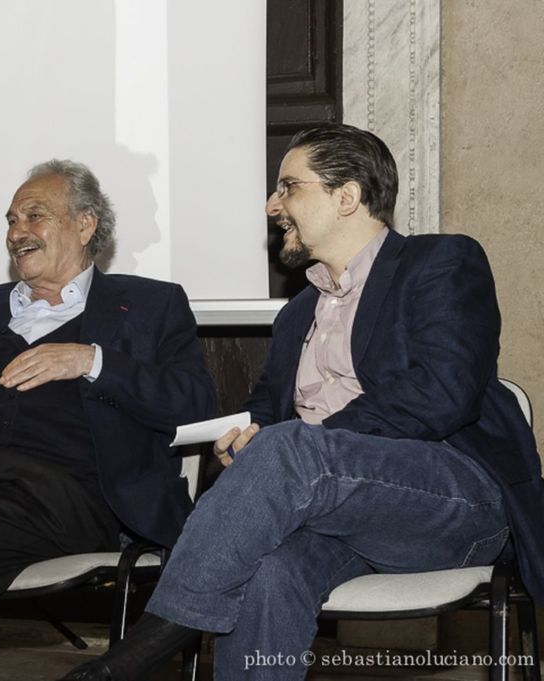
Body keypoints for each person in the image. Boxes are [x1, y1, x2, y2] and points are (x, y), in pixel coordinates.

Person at [59, 124, 544, 681]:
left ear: (347, 196)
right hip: (335, 519)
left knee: (293, 450)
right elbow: (267, 414)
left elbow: (443, 391)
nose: (272, 205)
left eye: (288, 186)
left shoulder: (440, 264)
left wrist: (308, 444)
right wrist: (245, 438)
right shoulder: (295, 317)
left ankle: (137, 653)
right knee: (269, 569)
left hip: (452, 504)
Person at [0, 159, 217, 681]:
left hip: (69, 498)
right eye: (10, 220)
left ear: (85, 224)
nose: (16, 233)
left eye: (34, 216)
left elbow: (195, 403)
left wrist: (91, 361)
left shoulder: (149, 304)